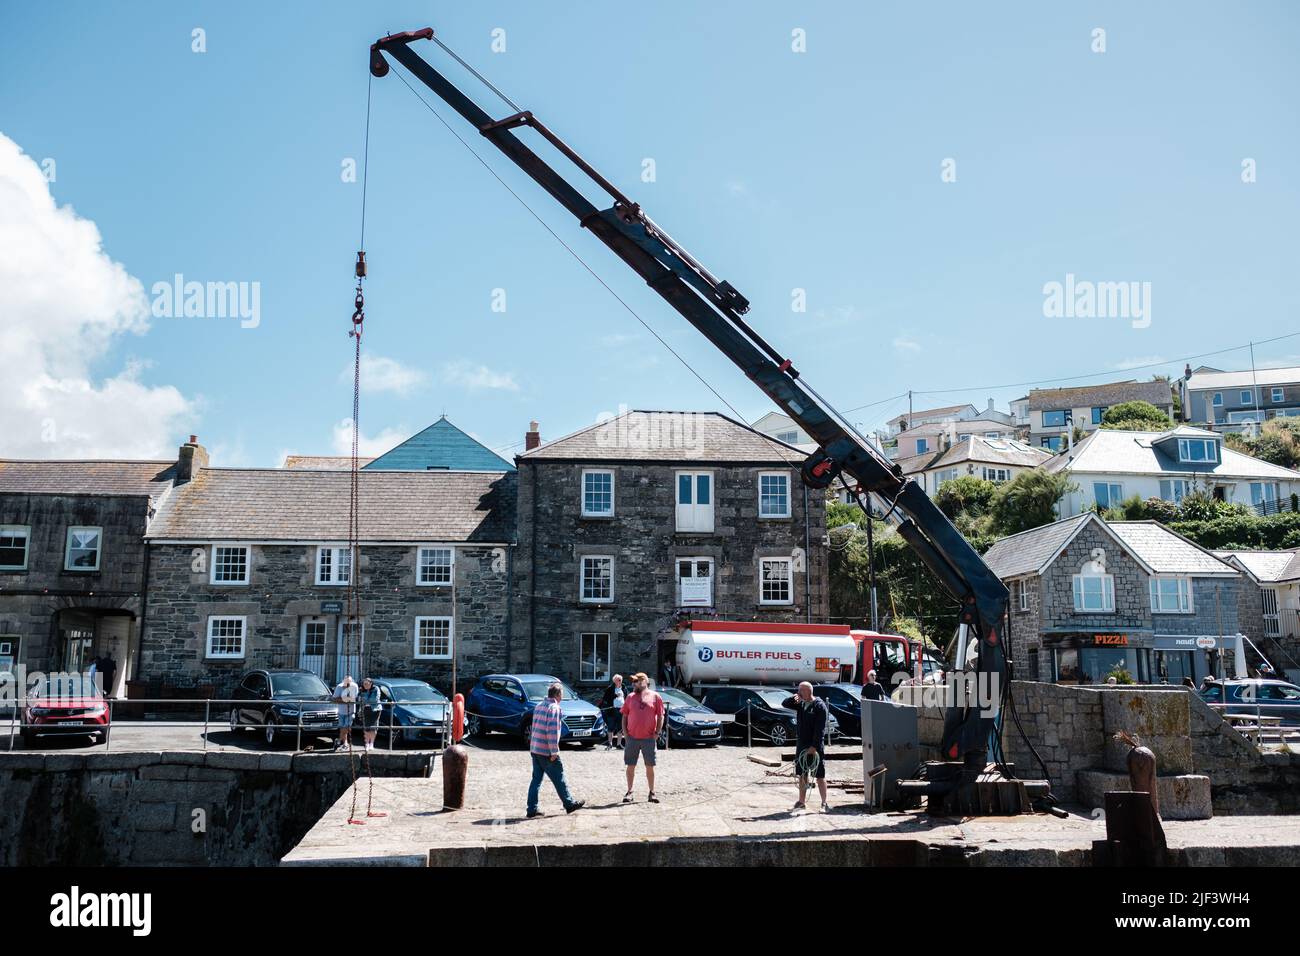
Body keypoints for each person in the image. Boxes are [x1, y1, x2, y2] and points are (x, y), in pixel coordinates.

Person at [527, 683, 584, 818]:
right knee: (559, 778)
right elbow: (552, 732)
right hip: (546, 751)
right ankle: (569, 804)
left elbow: (533, 728)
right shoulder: (554, 708)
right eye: (562, 694)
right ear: (558, 695)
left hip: (535, 748)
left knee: (536, 780)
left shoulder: (539, 706)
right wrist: (554, 751)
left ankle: (531, 809)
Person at [621, 672, 664, 803]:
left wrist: (657, 733)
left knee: (650, 766)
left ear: (645, 682)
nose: (635, 684)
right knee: (630, 766)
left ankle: (652, 792)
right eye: (634, 682)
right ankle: (629, 792)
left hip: (649, 738)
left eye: (638, 681)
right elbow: (624, 716)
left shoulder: (656, 697)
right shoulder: (630, 697)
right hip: (632, 738)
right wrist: (626, 734)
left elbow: (661, 715)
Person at [788, 681, 829, 812]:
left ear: (808, 691)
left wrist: (815, 746)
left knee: (819, 775)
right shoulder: (800, 704)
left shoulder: (819, 706)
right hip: (802, 744)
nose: (798, 693)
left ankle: (824, 803)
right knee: (802, 774)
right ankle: (801, 801)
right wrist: (793, 698)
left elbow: (820, 730)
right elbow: (785, 704)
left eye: (800, 691)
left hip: (815, 746)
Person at [333, 675, 359, 751]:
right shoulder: (339, 687)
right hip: (341, 711)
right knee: (342, 727)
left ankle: (341, 741)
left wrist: (342, 699)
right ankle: (344, 743)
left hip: (350, 711)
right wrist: (347, 700)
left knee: (346, 727)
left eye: (349, 682)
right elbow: (334, 699)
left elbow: (354, 699)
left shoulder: (354, 686)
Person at [599, 674, 624, 750]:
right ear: (614, 681)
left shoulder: (624, 688)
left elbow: (626, 697)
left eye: (620, 680)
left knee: (620, 728)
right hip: (612, 710)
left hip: (621, 710)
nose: (620, 681)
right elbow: (605, 699)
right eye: (618, 680)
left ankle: (619, 744)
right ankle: (610, 744)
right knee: (611, 727)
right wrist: (615, 696)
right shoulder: (610, 688)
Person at [357, 677, 382, 751]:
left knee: (373, 727)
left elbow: (374, 699)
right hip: (365, 709)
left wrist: (366, 696)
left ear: (371, 683)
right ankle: (367, 743)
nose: (365, 685)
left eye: (367, 683)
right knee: (366, 728)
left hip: (375, 710)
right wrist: (365, 698)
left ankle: (372, 743)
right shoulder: (361, 690)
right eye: (364, 684)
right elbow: (359, 699)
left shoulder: (376, 689)